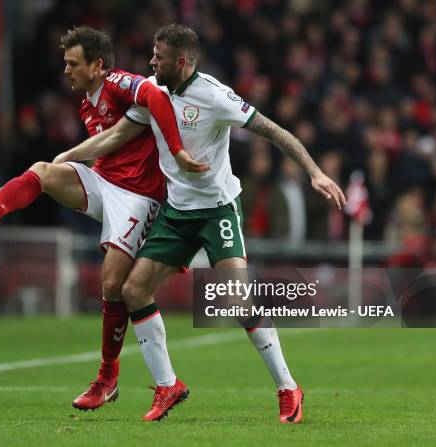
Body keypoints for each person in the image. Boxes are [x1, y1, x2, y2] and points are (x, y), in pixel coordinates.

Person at [55, 24, 346, 423]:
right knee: (134, 288)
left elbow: (275, 132)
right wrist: (68, 157)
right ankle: (167, 385)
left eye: (157, 56)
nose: (150, 61)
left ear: (181, 61)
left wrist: (315, 173)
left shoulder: (214, 95)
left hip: (217, 211)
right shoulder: (153, 95)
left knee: (237, 299)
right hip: (176, 213)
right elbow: (114, 137)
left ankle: (288, 387)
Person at [0, 26, 205, 412]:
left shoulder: (118, 82)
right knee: (44, 171)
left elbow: (154, 93)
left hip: (139, 197)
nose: (66, 70)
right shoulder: (87, 102)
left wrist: (179, 151)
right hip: (105, 183)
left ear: (98, 66)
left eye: (73, 63)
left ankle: (108, 377)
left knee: (114, 283)